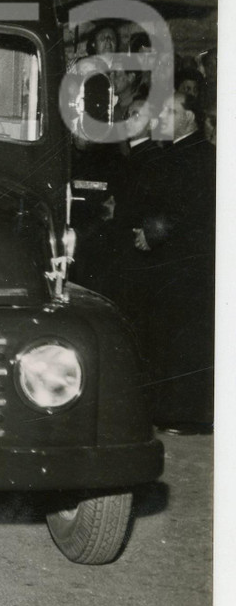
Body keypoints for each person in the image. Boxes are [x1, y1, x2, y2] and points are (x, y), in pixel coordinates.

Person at [120, 90, 215, 433]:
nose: (162, 118)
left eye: (171, 112)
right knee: (167, 338)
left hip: (189, 263)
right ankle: (169, 412)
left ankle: (188, 417)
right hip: (171, 263)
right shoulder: (175, 153)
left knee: (186, 341)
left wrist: (154, 233)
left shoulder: (203, 156)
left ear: (190, 117)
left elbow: (191, 208)